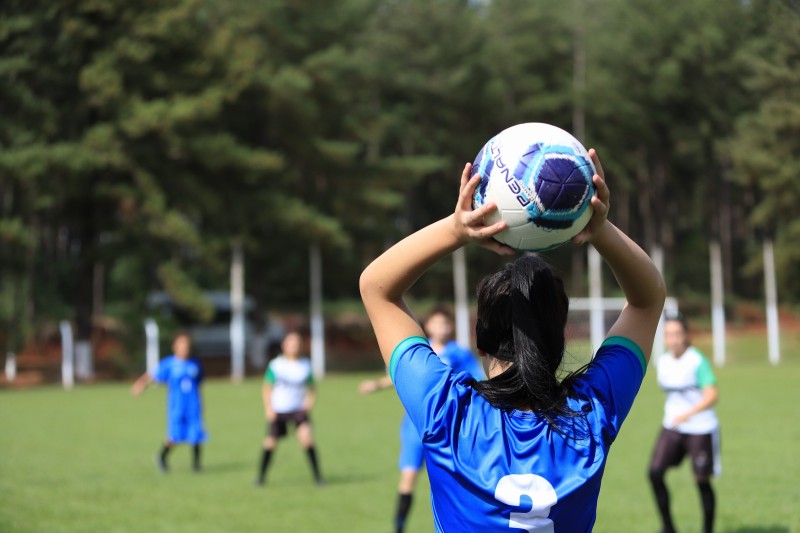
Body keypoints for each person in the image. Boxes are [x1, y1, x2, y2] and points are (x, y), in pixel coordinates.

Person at [359, 149, 666, 532]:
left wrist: (458, 229)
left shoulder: (447, 413)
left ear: (480, 343)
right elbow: (648, 299)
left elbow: (376, 287)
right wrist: (598, 228)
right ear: (559, 341)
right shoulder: (591, 414)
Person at [359, 307, 485, 533]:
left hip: (449, 427)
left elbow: (478, 379)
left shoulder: (459, 353)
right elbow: (401, 374)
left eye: (445, 324)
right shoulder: (421, 349)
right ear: (428, 326)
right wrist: (376, 385)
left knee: (451, 482)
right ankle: (398, 528)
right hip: (414, 426)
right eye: (436, 323)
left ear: (451, 326)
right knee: (407, 479)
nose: (441, 328)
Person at [648, 315, 720, 533]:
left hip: (700, 428)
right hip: (672, 426)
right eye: (669, 334)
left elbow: (711, 395)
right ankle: (668, 528)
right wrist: (677, 417)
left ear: (686, 335)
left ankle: (707, 530)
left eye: (678, 334)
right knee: (654, 473)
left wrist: (688, 414)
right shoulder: (663, 361)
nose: (673, 339)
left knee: (701, 481)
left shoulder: (696, 360)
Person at [255, 330, 324, 486]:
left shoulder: (305, 365)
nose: (294, 346)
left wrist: (309, 402)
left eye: (297, 343)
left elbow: (312, 387)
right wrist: (268, 407)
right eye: (291, 342)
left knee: (307, 439)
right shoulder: (276, 365)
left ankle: (318, 477)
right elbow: (267, 388)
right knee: (270, 443)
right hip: (279, 409)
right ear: (284, 345)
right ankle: (260, 478)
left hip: (298, 409)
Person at [132, 331, 207, 473]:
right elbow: (152, 375)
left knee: (196, 434)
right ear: (175, 346)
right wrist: (141, 384)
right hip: (177, 406)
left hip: (193, 405)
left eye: (187, 345)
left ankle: (197, 466)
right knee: (175, 435)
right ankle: (161, 456)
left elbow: (199, 385)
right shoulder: (169, 364)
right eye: (181, 344)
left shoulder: (195, 364)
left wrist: (202, 402)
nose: (184, 348)